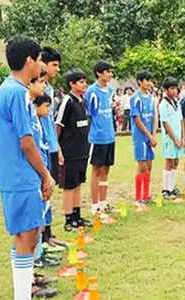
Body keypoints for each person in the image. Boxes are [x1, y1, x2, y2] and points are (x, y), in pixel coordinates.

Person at [0, 37, 56, 300]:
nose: (40, 66)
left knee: (26, 235)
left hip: (17, 175)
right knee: (26, 237)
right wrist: (45, 174)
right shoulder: (17, 92)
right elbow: (26, 141)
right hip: (21, 175)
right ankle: (23, 294)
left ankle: (26, 287)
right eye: (40, 60)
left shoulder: (8, 89)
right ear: (29, 60)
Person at [56, 69, 91, 231]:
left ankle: (77, 216)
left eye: (85, 82)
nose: (84, 85)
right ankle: (68, 219)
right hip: (69, 152)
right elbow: (58, 125)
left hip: (82, 151)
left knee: (78, 183)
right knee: (69, 185)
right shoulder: (67, 101)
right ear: (72, 84)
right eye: (81, 82)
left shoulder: (82, 101)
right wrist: (58, 149)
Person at [40, 46, 67, 251]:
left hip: (51, 146)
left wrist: (57, 147)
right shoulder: (35, 89)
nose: (57, 69)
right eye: (54, 65)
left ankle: (48, 233)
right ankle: (41, 238)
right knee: (43, 191)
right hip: (41, 146)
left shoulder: (49, 89)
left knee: (51, 189)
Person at [85, 60, 117, 224]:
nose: (110, 75)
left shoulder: (110, 90)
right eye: (108, 72)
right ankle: (95, 205)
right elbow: (88, 114)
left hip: (110, 136)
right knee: (96, 170)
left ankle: (104, 203)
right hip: (97, 137)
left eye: (111, 72)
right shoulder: (91, 91)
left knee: (106, 170)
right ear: (99, 73)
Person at [130, 71, 158, 212]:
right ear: (140, 82)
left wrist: (153, 134)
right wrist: (148, 135)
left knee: (149, 166)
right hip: (140, 137)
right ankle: (138, 198)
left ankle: (146, 195)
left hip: (150, 137)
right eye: (146, 80)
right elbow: (137, 119)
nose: (149, 83)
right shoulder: (135, 98)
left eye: (150, 80)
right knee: (142, 167)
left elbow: (154, 117)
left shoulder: (151, 98)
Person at [159, 77, 185, 202]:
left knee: (176, 161)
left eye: (176, 88)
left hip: (179, 136)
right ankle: (166, 189)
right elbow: (165, 124)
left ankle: (172, 186)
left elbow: (181, 120)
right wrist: (175, 139)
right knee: (169, 161)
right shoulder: (163, 104)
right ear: (166, 90)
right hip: (170, 138)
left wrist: (183, 137)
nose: (174, 91)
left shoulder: (177, 102)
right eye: (172, 88)